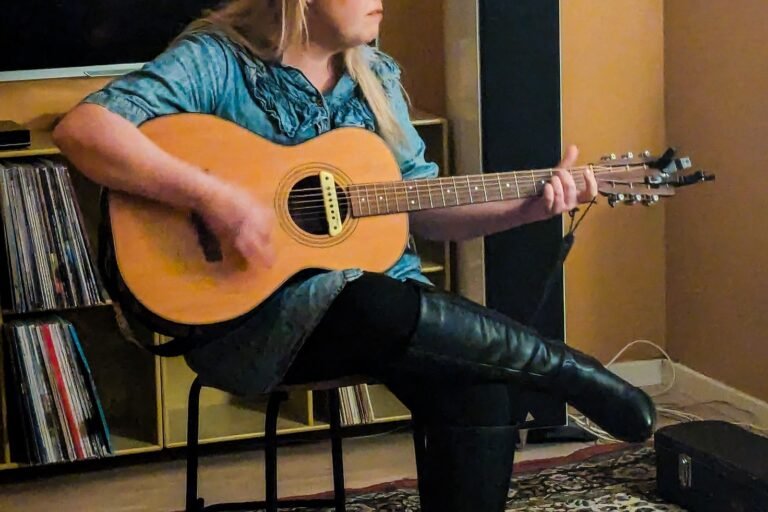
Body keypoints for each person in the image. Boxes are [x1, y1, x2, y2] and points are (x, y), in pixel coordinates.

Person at [53, 1, 656, 510]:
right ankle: (566, 370)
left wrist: (527, 210)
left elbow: (422, 206)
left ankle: (556, 371)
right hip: (252, 322)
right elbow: (84, 130)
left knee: (476, 385)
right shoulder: (217, 60)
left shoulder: (375, 75)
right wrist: (216, 200)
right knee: (369, 298)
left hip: (384, 314)